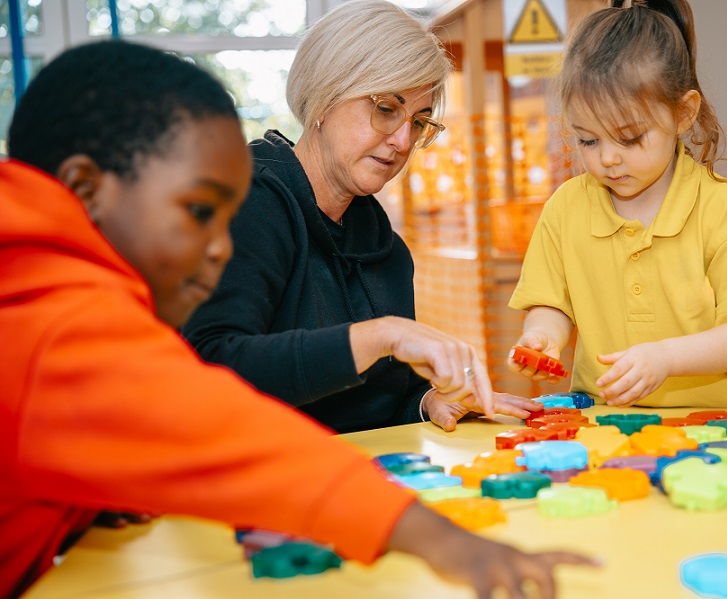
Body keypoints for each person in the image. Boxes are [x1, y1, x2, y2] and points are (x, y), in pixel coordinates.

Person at [0, 39, 600, 599]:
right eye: (200, 211)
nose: (221, 247)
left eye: (419, 121)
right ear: (86, 188)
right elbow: (227, 428)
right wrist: (442, 541)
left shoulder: (47, 298)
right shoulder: (59, 328)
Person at [181, 0, 539, 434]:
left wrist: (428, 401)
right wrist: (380, 336)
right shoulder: (246, 203)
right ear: (324, 97)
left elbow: (378, 401)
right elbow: (211, 368)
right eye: (386, 109)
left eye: (419, 122)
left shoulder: (384, 248)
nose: (403, 141)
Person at [507, 0, 727, 409]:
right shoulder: (565, 209)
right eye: (588, 140)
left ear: (683, 114)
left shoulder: (723, 209)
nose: (607, 158)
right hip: (602, 423)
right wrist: (543, 335)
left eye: (630, 138)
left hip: (716, 426)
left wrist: (666, 357)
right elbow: (551, 303)